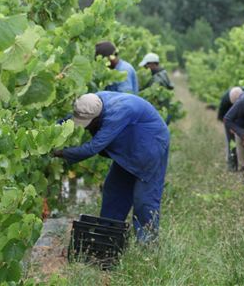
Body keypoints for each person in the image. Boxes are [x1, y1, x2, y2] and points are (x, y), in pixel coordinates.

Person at [54, 91, 169, 243]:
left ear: (97, 117)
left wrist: (60, 153)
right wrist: (50, 131)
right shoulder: (92, 102)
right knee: (114, 190)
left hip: (150, 148)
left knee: (144, 200)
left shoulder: (118, 113)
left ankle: (147, 246)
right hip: (128, 148)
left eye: (89, 123)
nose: (86, 128)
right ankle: (107, 236)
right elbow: (72, 118)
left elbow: (92, 148)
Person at [217, 86, 244, 171]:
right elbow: (221, 117)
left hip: (242, 119)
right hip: (228, 120)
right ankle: (232, 166)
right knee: (231, 143)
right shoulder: (225, 100)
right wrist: (231, 127)